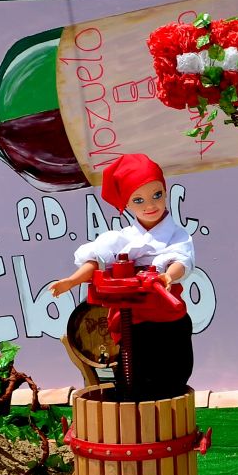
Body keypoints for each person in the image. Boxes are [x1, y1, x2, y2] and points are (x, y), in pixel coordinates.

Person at [49, 153, 194, 400]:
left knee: (176, 367)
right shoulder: (120, 239)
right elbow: (95, 260)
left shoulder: (177, 235)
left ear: (165, 192)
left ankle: (168, 416)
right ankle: (137, 417)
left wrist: (167, 276)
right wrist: (72, 280)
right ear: (126, 205)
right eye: (139, 200)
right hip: (134, 319)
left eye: (156, 195)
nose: (150, 205)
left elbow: (181, 260)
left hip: (168, 314)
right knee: (135, 370)